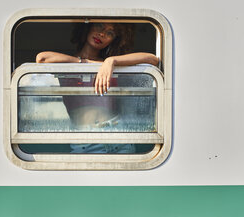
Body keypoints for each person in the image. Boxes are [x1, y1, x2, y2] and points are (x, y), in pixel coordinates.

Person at [36, 23, 159, 154]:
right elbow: (42, 58)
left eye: (110, 33)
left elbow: (152, 59)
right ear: (87, 27)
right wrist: (85, 63)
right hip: (86, 139)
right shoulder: (68, 62)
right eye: (99, 26)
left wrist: (111, 61)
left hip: (118, 134)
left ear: (114, 40)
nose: (102, 34)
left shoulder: (111, 65)